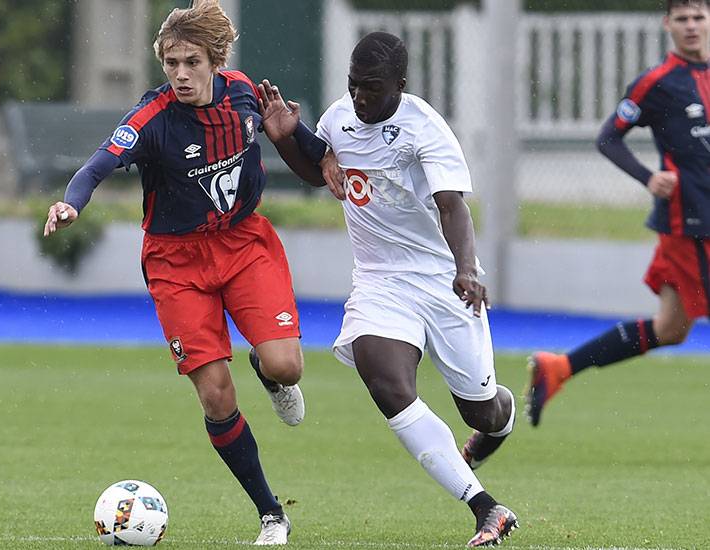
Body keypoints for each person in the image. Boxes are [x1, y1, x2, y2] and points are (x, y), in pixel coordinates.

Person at [43, 1, 308, 545]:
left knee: (287, 367)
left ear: (214, 61)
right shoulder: (152, 118)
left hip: (242, 244)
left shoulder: (243, 95)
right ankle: (271, 514)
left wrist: (305, 146)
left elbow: (291, 139)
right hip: (176, 262)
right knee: (215, 397)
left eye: (191, 62)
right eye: (170, 63)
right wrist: (71, 203)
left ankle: (266, 366)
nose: (181, 74)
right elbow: (98, 164)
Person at [257, 32, 518, 547]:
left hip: (444, 280)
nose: (359, 98)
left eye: (371, 89)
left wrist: (468, 269)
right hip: (380, 282)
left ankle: (500, 415)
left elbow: (452, 207)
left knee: (479, 410)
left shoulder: (426, 128)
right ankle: (487, 509)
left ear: (400, 84)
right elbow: (322, 175)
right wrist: (287, 137)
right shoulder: (339, 118)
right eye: (353, 86)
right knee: (386, 382)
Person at [527, 0, 710, 427]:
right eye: (681, 19)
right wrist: (649, 178)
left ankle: (559, 368)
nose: (691, 26)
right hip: (691, 226)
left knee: (670, 329)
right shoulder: (656, 84)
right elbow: (609, 138)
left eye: (698, 16)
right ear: (668, 25)